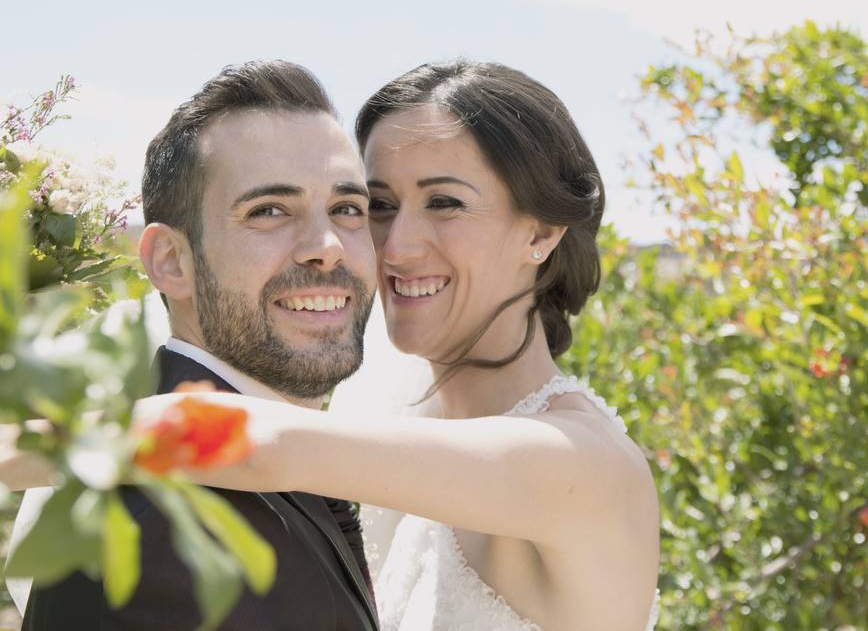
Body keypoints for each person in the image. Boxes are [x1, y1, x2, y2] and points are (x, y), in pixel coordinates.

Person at [135, 60, 660, 630]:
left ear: (538, 233)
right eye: (378, 206)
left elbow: (268, 446)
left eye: (444, 203)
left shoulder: (582, 460)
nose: (398, 247)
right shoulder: (395, 412)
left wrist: (61, 439)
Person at [9, 60, 381, 631]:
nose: (327, 247)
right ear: (170, 261)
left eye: (348, 208)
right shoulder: (164, 537)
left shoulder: (264, 467)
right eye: (270, 211)